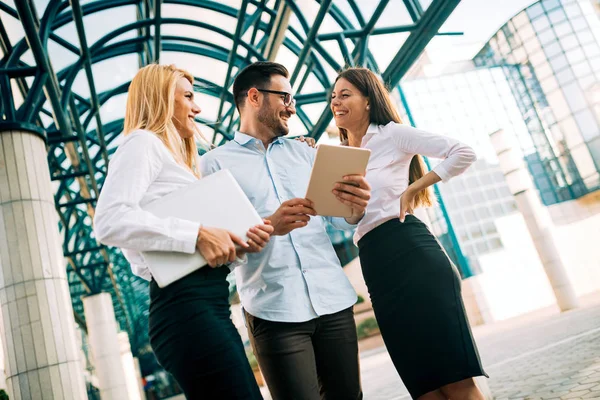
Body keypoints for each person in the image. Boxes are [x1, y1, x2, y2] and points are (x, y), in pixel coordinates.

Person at [93, 64, 274, 399]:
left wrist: (237, 242)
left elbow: (182, 249)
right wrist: (199, 234)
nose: (198, 107)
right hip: (185, 308)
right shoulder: (142, 143)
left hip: (206, 304)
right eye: (188, 96)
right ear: (162, 99)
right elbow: (108, 220)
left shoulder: (174, 160)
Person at [200, 61, 371, 400]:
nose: (292, 107)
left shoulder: (305, 153)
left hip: (333, 301)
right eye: (285, 97)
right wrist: (268, 227)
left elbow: (337, 221)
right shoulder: (214, 165)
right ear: (254, 97)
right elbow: (220, 253)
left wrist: (355, 209)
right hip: (274, 311)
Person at [330, 67, 487, 400]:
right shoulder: (341, 156)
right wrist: (352, 210)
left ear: (369, 101)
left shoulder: (391, 134)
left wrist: (415, 187)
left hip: (413, 253)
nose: (336, 102)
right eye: (333, 97)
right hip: (375, 265)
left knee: (456, 380)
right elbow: (346, 222)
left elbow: (464, 152)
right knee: (425, 389)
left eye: (345, 94)